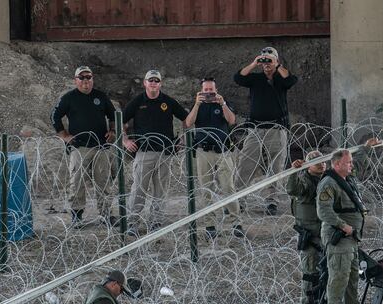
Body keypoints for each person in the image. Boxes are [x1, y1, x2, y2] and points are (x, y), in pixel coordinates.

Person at [315, 145, 380, 304]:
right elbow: (323, 211)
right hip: (339, 237)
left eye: (351, 161)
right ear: (336, 164)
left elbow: (358, 164)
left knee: (352, 278)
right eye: (348, 162)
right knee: (338, 278)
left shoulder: (347, 179)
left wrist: (366, 148)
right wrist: (344, 226)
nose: (351, 165)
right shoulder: (329, 183)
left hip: (350, 238)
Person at [233, 46, 297, 216]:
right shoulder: (255, 79)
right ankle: (240, 199)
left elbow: (291, 80)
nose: (266, 63)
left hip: (277, 129)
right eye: (264, 60)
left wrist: (276, 66)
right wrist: (254, 63)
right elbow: (238, 78)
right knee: (245, 163)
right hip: (255, 129)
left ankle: (272, 201)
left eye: (269, 59)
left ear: (276, 60)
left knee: (275, 167)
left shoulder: (281, 78)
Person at [122, 70, 188, 234]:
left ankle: (156, 222)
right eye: (150, 80)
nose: (153, 83)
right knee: (139, 189)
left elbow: (186, 118)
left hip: (165, 153)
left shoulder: (168, 102)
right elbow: (119, 121)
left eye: (156, 80)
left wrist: (184, 138)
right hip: (144, 152)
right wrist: (125, 140)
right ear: (145, 83)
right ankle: (132, 223)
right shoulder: (137, 101)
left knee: (160, 191)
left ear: (160, 83)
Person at [51, 66, 117, 228]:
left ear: (92, 79)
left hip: (101, 146)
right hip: (79, 147)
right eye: (82, 78)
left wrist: (113, 130)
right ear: (76, 80)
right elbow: (55, 116)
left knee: (103, 181)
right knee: (77, 182)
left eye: (89, 77)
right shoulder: (69, 98)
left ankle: (105, 214)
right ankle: (76, 215)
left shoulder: (100, 97)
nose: (86, 81)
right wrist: (65, 136)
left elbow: (113, 115)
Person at [183, 77, 244, 239]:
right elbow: (188, 123)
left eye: (211, 90)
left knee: (228, 187)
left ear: (216, 90)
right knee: (206, 189)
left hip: (223, 150)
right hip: (204, 152)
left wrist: (222, 103)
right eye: (206, 90)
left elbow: (232, 120)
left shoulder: (223, 103)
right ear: (201, 91)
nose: (209, 93)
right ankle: (210, 224)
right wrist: (197, 104)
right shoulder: (198, 105)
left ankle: (236, 223)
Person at [289, 150, 326, 304]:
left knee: (329, 274)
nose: (321, 164)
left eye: (324, 161)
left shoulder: (329, 181)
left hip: (328, 234)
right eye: (317, 162)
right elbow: (293, 189)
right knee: (310, 275)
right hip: (311, 236)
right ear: (308, 165)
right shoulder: (304, 180)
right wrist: (294, 171)